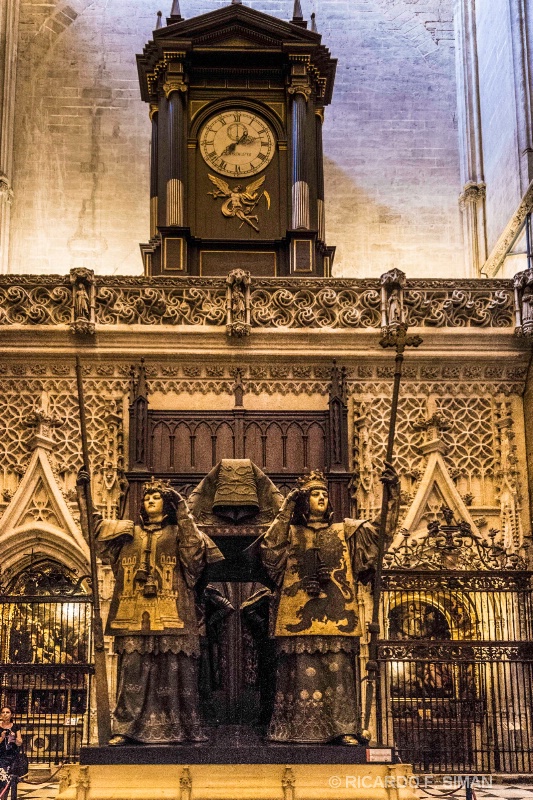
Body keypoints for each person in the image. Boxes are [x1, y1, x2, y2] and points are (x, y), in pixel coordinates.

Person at [260, 468, 399, 744]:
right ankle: (293, 729)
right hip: (297, 612)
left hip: (337, 616)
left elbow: (381, 532)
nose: (322, 497)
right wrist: (287, 506)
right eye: (314, 494)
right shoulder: (289, 532)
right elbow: (269, 549)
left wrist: (392, 495)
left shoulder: (346, 531)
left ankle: (343, 729)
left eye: (324, 493)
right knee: (300, 676)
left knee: (338, 674)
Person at [96, 478, 223, 745]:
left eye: (157, 497)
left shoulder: (180, 532)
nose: (150, 500)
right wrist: (86, 497)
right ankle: (126, 727)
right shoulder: (127, 532)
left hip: (174, 608)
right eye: (146, 497)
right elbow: (95, 534)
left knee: (174, 671)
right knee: (133, 670)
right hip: (133, 611)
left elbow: (194, 557)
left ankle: (180, 726)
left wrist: (182, 508)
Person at [0, 707, 23, 800]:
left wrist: (15, 739)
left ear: (11, 715)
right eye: (3, 712)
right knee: (2, 780)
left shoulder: (15, 727)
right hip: (1, 757)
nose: (5, 714)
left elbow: (20, 742)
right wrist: (2, 737)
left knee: (10, 781)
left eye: (7, 712)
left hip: (13, 757)